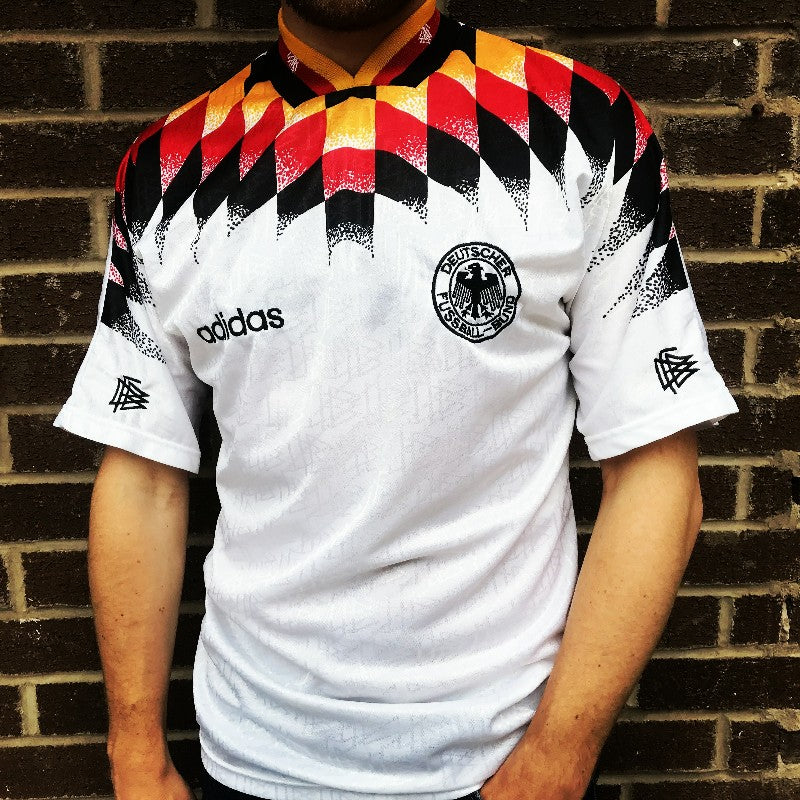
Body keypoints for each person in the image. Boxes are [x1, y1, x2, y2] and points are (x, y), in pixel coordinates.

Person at [52, 0, 739, 798]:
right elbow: (142, 477)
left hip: (502, 760)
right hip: (249, 755)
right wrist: (134, 753)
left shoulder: (581, 125)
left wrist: (558, 758)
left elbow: (657, 472)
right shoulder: (170, 168)